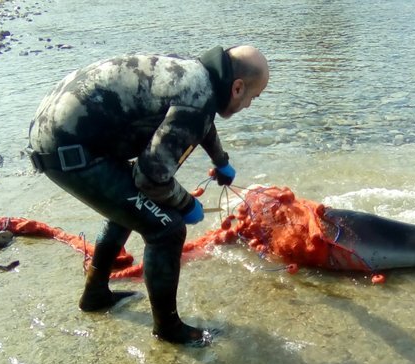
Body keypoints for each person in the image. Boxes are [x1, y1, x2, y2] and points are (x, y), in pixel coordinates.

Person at [27, 45, 269, 345]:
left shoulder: (196, 75)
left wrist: (221, 161)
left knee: (133, 207)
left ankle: (96, 292)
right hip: (70, 151)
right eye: (253, 98)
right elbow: (151, 178)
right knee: (166, 227)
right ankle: (168, 328)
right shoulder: (198, 100)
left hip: (60, 132)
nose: (249, 105)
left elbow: (200, 121)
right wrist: (187, 204)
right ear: (237, 87)